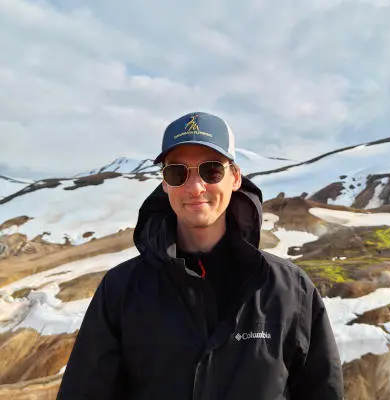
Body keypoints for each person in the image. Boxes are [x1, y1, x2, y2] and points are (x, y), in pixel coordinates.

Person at [57, 111, 344, 399]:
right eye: (177, 172)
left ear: (234, 177)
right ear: (165, 183)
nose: (195, 187)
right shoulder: (121, 290)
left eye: (211, 170)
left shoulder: (290, 290)